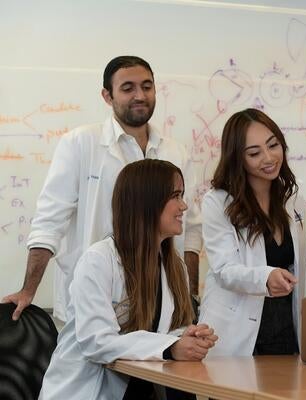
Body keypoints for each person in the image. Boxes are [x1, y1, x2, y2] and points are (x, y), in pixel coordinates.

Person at [2, 56, 202, 322]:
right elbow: (50, 221)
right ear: (107, 96)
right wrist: (29, 290)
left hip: (157, 303)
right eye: (127, 88)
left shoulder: (176, 153)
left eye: (147, 86)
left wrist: (188, 297)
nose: (140, 95)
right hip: (93, 299)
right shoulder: (81, 143)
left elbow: (190, 232)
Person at [39, 159, 218, 399]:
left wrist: (187, 339)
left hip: (143, 388)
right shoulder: (98, 260)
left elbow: (164, 331)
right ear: (146, 202)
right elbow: (97, 342)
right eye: (175, 196)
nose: (184, 206)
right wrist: (171, 347)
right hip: (88, 391)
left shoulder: (176, 267)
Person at [199, 108, 305, 356]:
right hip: (235, 329)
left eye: (273, 145)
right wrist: (265, 278)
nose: (268, 158)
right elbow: (224, 269)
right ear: (237, 158)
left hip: (284, 328)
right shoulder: (218, 202)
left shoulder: (293, 199)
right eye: (254, 153)